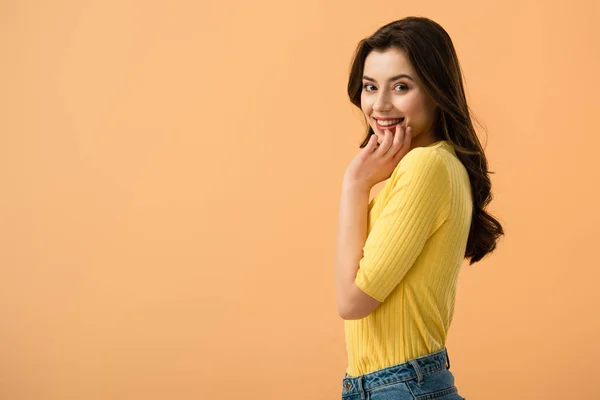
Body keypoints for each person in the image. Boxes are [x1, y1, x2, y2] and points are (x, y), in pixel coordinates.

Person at [334, 16, 504, 399]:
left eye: (401, 86)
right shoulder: (428, 168)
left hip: (400, 387)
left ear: (436, 91)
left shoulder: (426, 166)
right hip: (392, 386)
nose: (379, 105)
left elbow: (352, 301)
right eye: (369, 87)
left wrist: (354, 185)